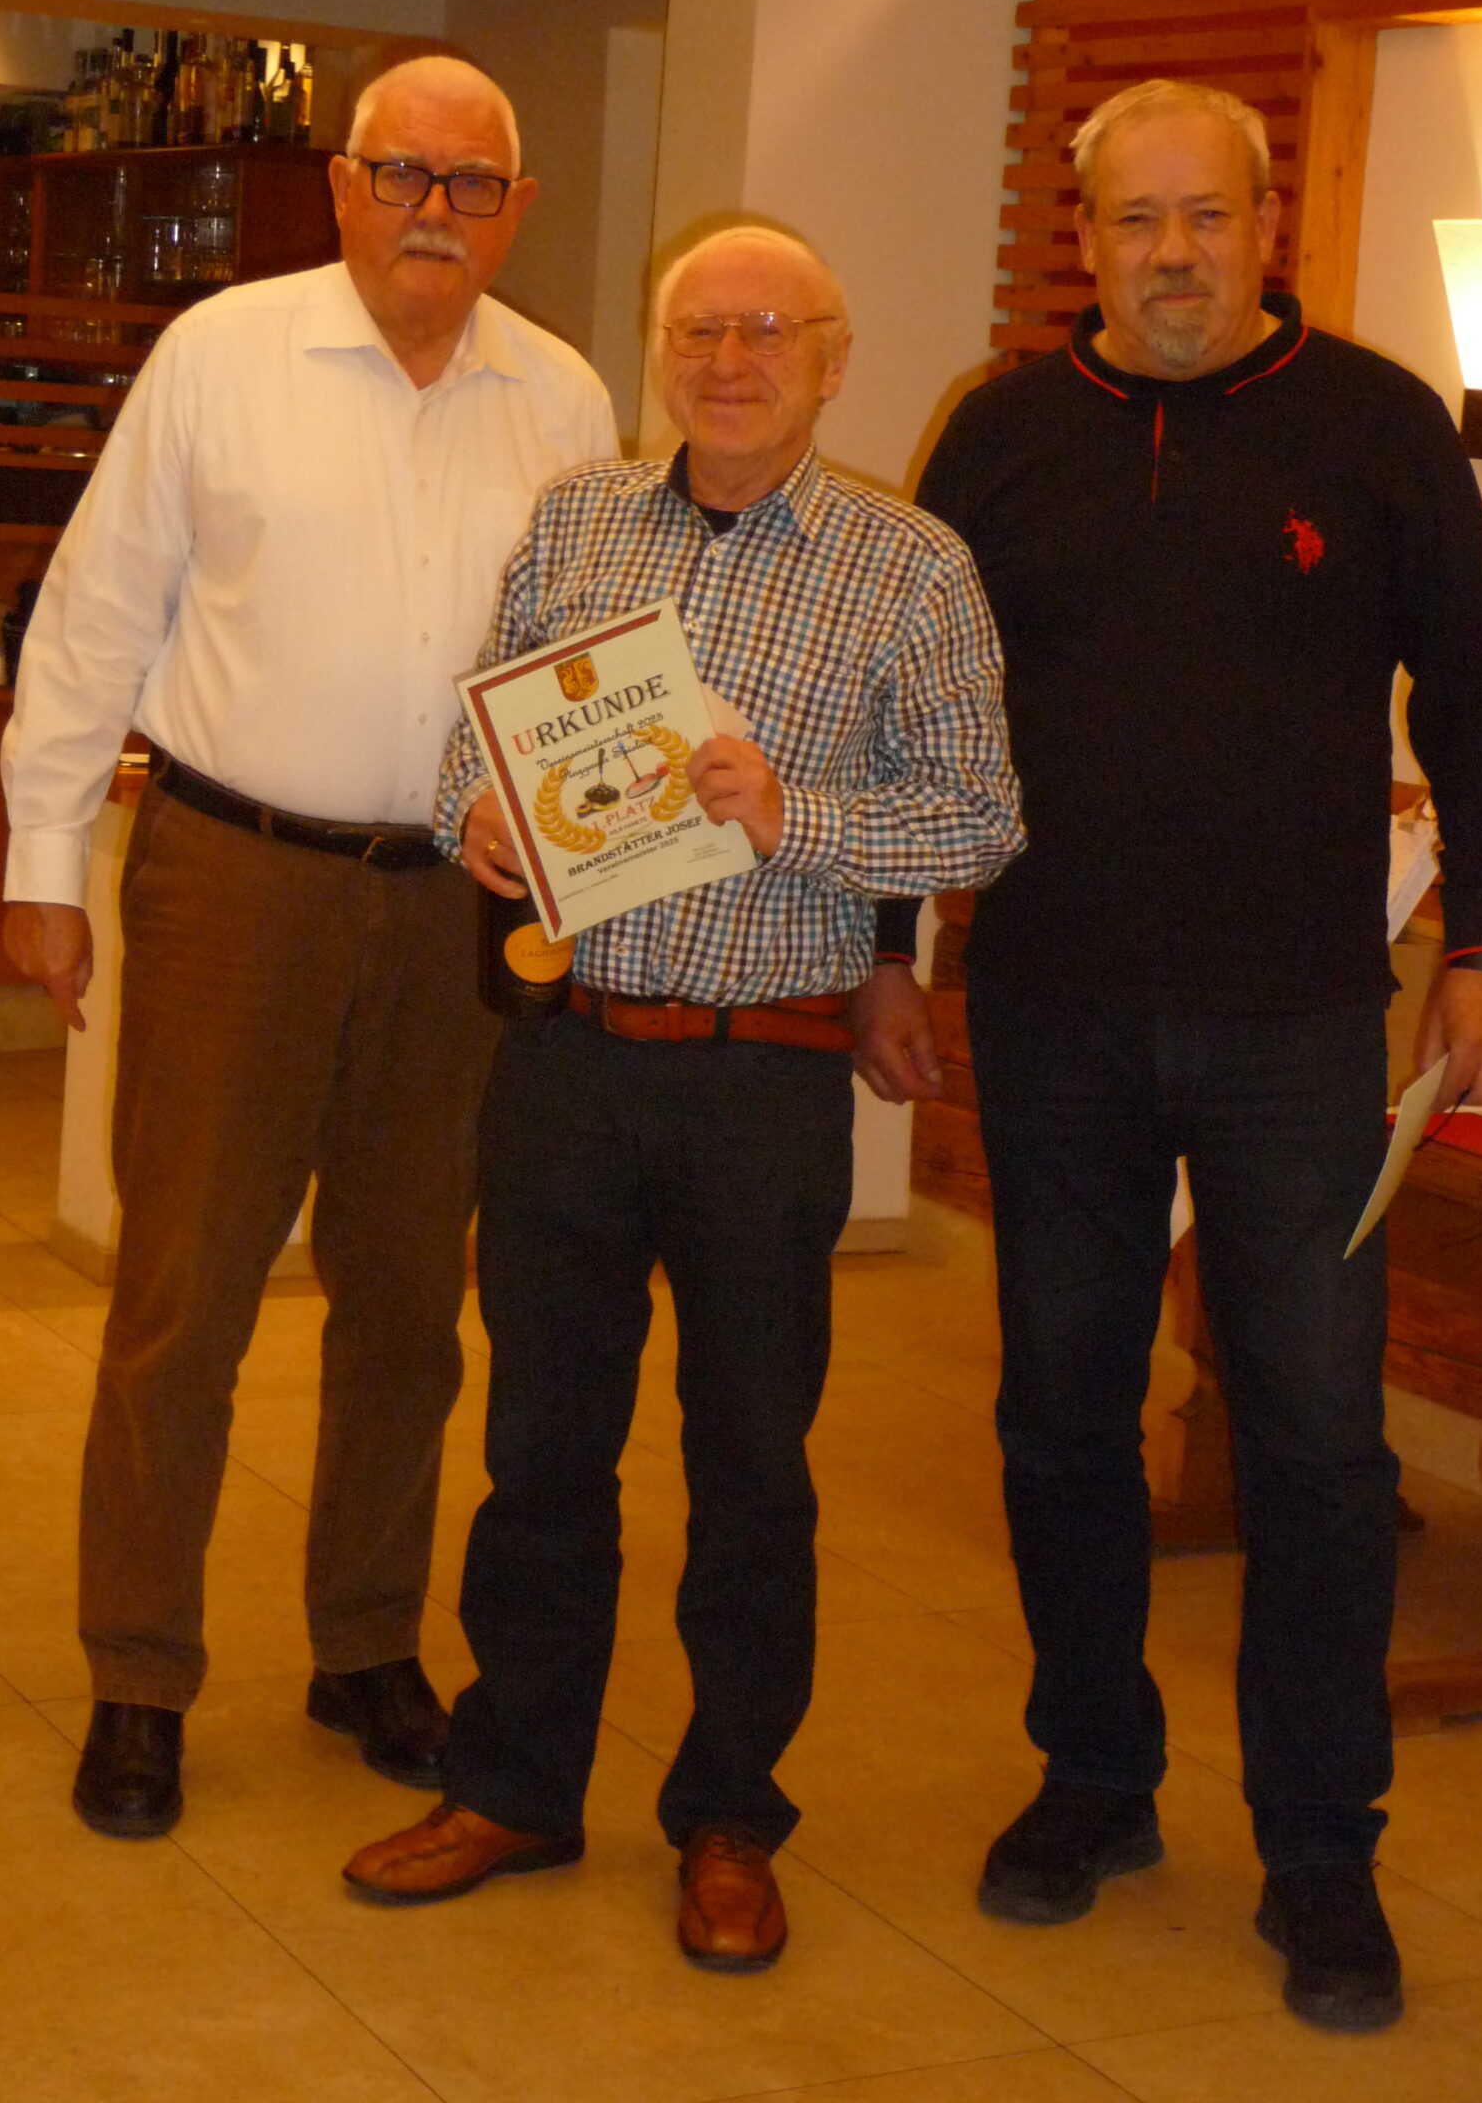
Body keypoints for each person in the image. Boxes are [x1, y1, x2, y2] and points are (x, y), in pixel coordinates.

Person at [876, 78, 1482, 2034]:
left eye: (1206, 215)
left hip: (1296, 1029)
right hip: (1051, 1009)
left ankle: (1320, 1846)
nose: (1171, 253)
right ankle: (1093, 1773)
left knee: (1317, 1445)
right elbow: (914, 716)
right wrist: (884, 950)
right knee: (1058, 1416)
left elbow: (1479, 706)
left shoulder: (1378, 425)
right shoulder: (997, 435)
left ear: (1265, 225)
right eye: (1134, 220)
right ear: (1085, 238)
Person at [339, 223, 1024, 1967]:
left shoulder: (912, 567)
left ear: (832, 359)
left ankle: (730, 1817)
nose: (729, 361)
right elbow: (473, 738)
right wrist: (476, 813)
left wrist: (797, 815)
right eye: (699, 330)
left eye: (767, 330)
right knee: (539, 1452)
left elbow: (982, 819)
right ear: (662, 352)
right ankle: (515, 1785)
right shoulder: (579, 522)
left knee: (752, 1470)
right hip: (566, 1062)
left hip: (762, 1082)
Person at [1, 54, 618, 1839]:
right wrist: (46, 860)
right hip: (236, 879)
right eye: (402, 172)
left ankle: (364, 1644)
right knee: (183, 1299)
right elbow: (95, 613)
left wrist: (589, 872)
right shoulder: (223, 356)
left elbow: (586, 661)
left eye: (472, 183)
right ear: (344, 186)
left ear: (516, 210)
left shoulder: (565, 398)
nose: (434, 209)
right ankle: (139, 1672)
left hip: (459, 910)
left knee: (411, 1303)